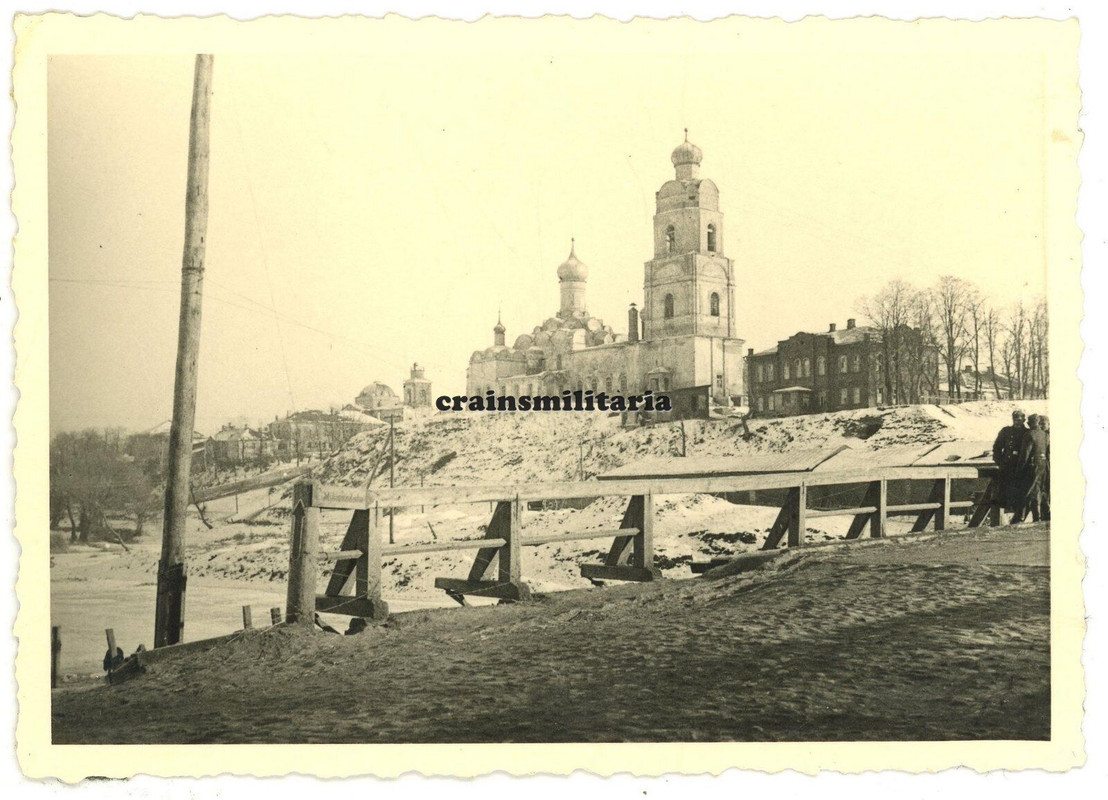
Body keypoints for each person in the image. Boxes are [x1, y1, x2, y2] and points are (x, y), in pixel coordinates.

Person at [1012, 413, 1049, 523]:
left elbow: (1024, 455)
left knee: (1026, 492)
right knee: (1040, 491)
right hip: (1043, 466)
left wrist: (1018, 471)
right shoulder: (1045, 435)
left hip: (1032, 468)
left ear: (1028, 423)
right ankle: (1039, 517)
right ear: (1038, 422)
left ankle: (1020, 518)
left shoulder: (1029, 434)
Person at [992, 409, 1028, 515]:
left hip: (1020, 467)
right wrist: (999, 461)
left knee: (1019, 491)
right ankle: (1006, 511)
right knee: (1004, 491)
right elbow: (997, 447)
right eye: (1015, 419)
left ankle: (1018, 515)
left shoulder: (1027, 433)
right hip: (1007, 466)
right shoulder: (1006, 431)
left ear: (1024, 420)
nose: (1017, 421)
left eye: (1020, 419)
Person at [1039, 415, 1051, 521]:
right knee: (1044, 491)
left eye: (1043, 424)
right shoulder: (1039, 435)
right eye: (1039, 424)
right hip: (1044, 468)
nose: (1041, 426)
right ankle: (1045, 516)